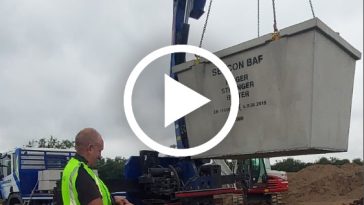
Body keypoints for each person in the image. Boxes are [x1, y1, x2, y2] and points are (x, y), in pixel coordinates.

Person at [61, 128, 133, 205]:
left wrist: (112, 199)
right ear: (90, 148)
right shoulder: (82, 174)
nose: (100, 156)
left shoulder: (72, 167)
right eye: (99, 151)